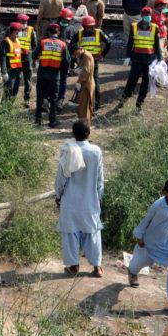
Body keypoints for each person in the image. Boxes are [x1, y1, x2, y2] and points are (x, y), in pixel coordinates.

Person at [127, 179, 168, 314]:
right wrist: (140, 237)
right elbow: (145, 222)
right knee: (142, 262)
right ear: (166, 193)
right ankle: (132, 272)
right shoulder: (157, 206)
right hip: (152, 241)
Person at [54, 120, 104, 277]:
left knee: (70, 233)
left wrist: (58, 195)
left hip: (71, 199)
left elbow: (61, 177)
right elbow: (99, 179)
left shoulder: (67, 150)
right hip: (90, 199)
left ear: (73, 134)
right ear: (88, 134)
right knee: (93, 232)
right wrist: (99, 197)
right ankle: (97, 267)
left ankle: (74, 266)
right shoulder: (96, 151)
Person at [119, 7, 162, 111]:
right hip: (137, 59)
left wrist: (160, 59)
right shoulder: (134, 27)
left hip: (149, 60)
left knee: (145, 84)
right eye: (145, 15)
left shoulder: (155, 28)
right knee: (131, 81)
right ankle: (123, 100)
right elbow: (130, 43)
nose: (147, 17)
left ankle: (139, 105)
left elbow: (157, 45)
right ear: (141, 16)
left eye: (149, 15)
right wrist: (128, 56)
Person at [32, 23, 70, 127]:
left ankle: (38, 119)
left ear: (49, 32)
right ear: (58, 33)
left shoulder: (43, 42)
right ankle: (52, 121)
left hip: (42, 73)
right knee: (53, 98)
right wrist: (62, 71)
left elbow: (34, 55)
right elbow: (67, 61)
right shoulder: (62, 44)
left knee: (40, 96)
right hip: (55, 74)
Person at [71, 15, 112, 107]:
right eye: (86, 27)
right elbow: (72, 44)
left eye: (90, 27)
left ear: (94, 26)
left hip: (94, 61)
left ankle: (96, 103)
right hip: (83, 62)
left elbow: (109, 43)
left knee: (94, 80)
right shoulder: (80, 33)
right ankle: (78, 100)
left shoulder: (99, 33)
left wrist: (102, 55)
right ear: (84, 26)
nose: (88, 29)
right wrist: (76, 54)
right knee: (81, 80)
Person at [56, 7, 79, 109]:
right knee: (55, 80)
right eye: (64, 19)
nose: (65, 21)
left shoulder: (72, 30)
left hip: (65, 60)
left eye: (66, 20)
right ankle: (50, 100)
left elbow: (74, 46)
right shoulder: (54, 27)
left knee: (62, 81)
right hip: (54, 58)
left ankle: (59, 101)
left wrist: (75, 61)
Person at [0, 22, 24, 103]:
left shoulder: (17, 40)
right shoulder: (5, 42)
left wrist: (21, 71)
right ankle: (3, 111)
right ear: (14, 31)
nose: (20, 32)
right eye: (19, 31)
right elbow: (2, 58)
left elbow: (19, 56)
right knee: (8, 91)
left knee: (15, 91)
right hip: (10, 70)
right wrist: (4, 72)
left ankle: (9, 109)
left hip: (17, 70)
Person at [15, 13, 35, 106]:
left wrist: (33, 58)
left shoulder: (31, 30)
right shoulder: (13, 29)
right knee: (16, 78)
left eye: (25, 22)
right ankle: (12, 99)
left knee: (27, 79)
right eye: (22, 22)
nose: (24, 23)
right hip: (16, 57)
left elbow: (34, 45)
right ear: (18, 21)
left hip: (27, 58)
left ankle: (26, 99)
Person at [73, 48, 96, 121]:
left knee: (85, 107)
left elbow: (86, 72)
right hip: (84, 83)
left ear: (80, 49)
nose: (76, 55)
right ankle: (83, 124)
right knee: (82, 106)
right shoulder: (82, 56)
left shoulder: (86, 56)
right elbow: (82, 69)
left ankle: (84, 126)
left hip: (87, 84)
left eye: (77, 53)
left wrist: (78, 83)